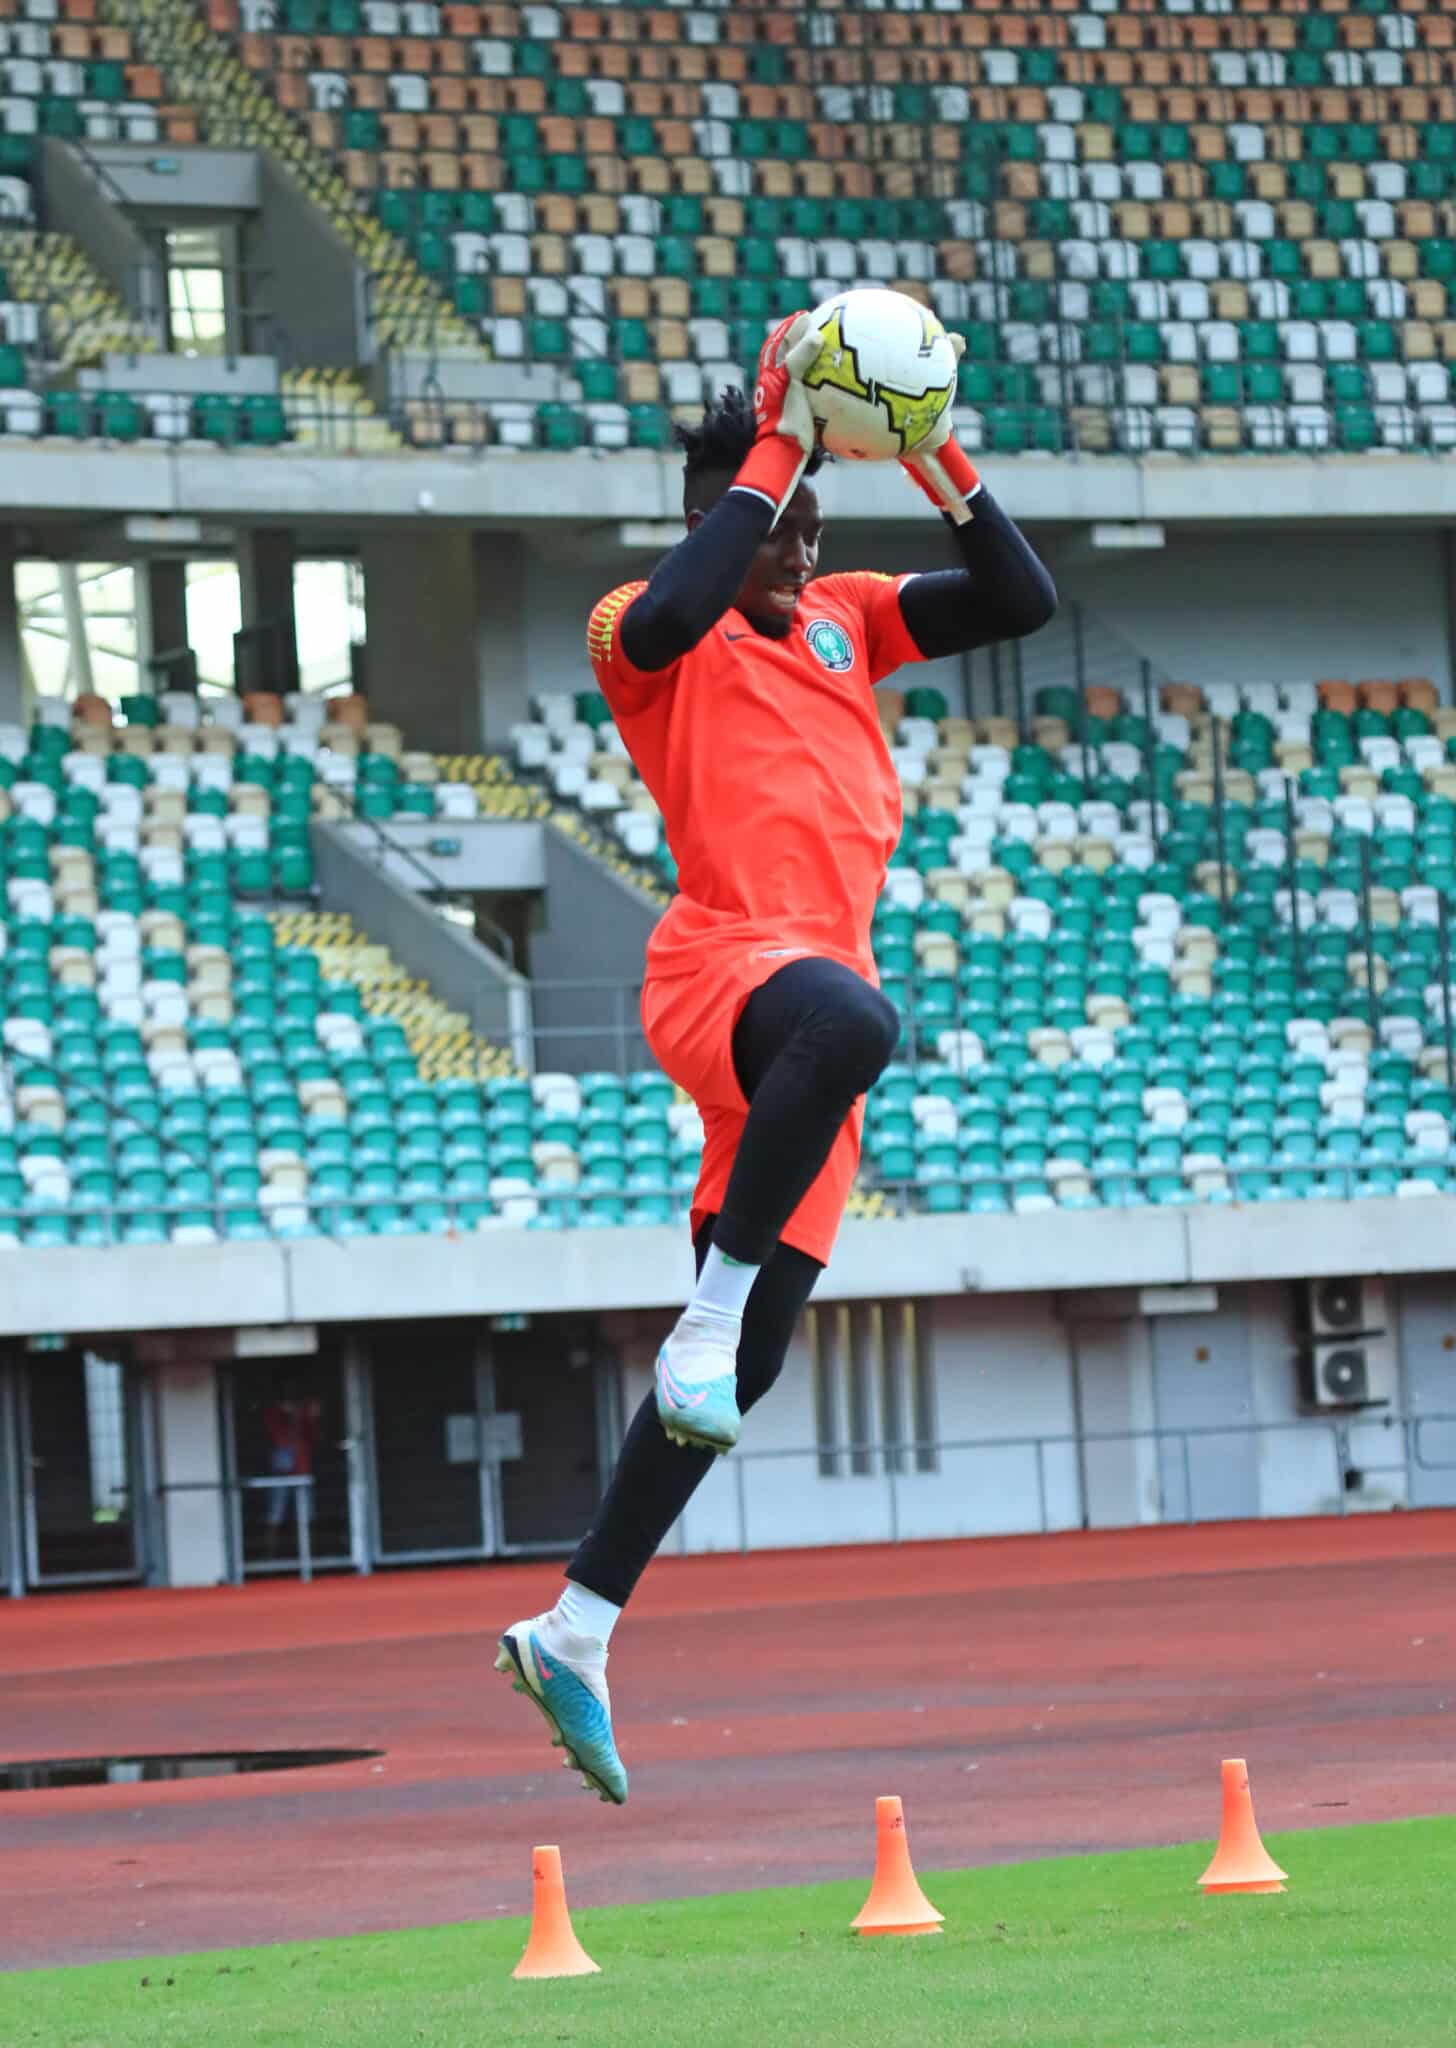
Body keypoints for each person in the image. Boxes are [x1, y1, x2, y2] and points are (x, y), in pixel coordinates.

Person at [497, 310, 1056, 1803]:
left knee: (740, 1366)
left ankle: (575, 1627)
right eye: (782, 531)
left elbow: (1021, 595)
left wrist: (930, 447)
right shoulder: (645, 631)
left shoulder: (848, 617)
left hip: (813, 1003)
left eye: (813, 532)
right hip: (726, 967)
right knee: (861, 1029)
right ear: (717, 516)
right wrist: (779, 442)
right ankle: (706, 1311)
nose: (804, 555)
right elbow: (680, 611)